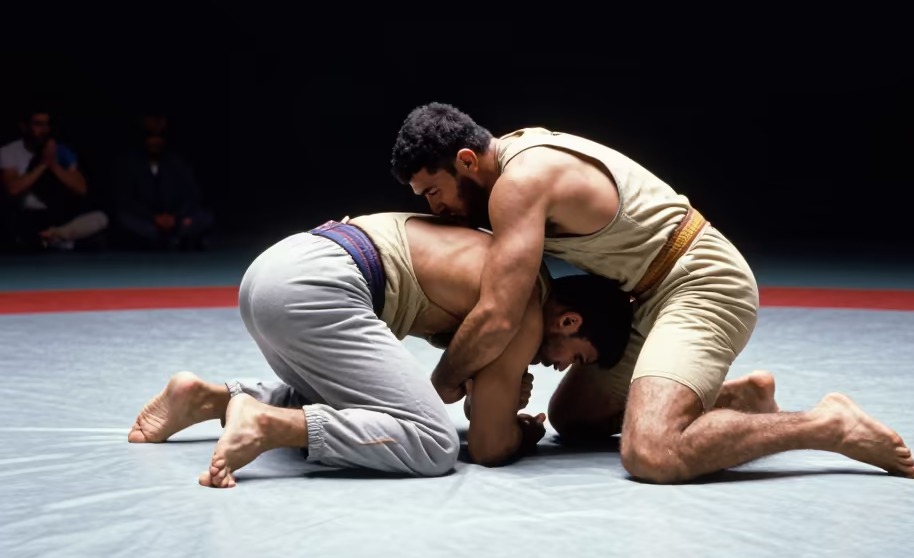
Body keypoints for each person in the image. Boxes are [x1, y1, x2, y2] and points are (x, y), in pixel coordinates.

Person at [390, 103, 914, 485]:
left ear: (465, 159)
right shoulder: (516, 156)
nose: (435, 207)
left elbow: (501, 316)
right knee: (575, 420)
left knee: (653, 452)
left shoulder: (520, 182)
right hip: (641, 298)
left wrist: (441, 383)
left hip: (701, 282)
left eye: (433, 191)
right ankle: (742, 399)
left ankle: (827, 424)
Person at [128, 211, 634, 487]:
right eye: (577, 357)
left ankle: (211, 397)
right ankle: (269, 423)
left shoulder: (504, 263)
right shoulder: (523, 301)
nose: (559, 366)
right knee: (435, 445)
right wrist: (516, 436)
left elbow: (477, 398)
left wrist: (493, 402)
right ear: (569, 320)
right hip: (316, 289)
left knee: (371, 406)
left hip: (276, 269)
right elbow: (485, 446)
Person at [0, 109, 108, 251]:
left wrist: (54, 165)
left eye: (47, 124)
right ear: (24, 126)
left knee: (100, 218)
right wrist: (43, 164)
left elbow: (81, 189)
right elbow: (13, 190)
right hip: (26, 215)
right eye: (38, 124)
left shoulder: (62, 151)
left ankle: (54, 236)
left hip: (57, 217)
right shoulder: (9, 152)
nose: (44, 129)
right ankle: (53, 240)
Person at [115, 114, 214, 250]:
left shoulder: (177, 163)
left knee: (203, 218)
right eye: (150, 136)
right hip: (147, 222)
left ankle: (178, 239)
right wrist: (154, 218)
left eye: (159, 136)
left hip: (176, 221)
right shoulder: (130, 164)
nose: (155, 141)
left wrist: (176, 218)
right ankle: (161, 241)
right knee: (125, 220)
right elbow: (127, 201)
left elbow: (192, 196)